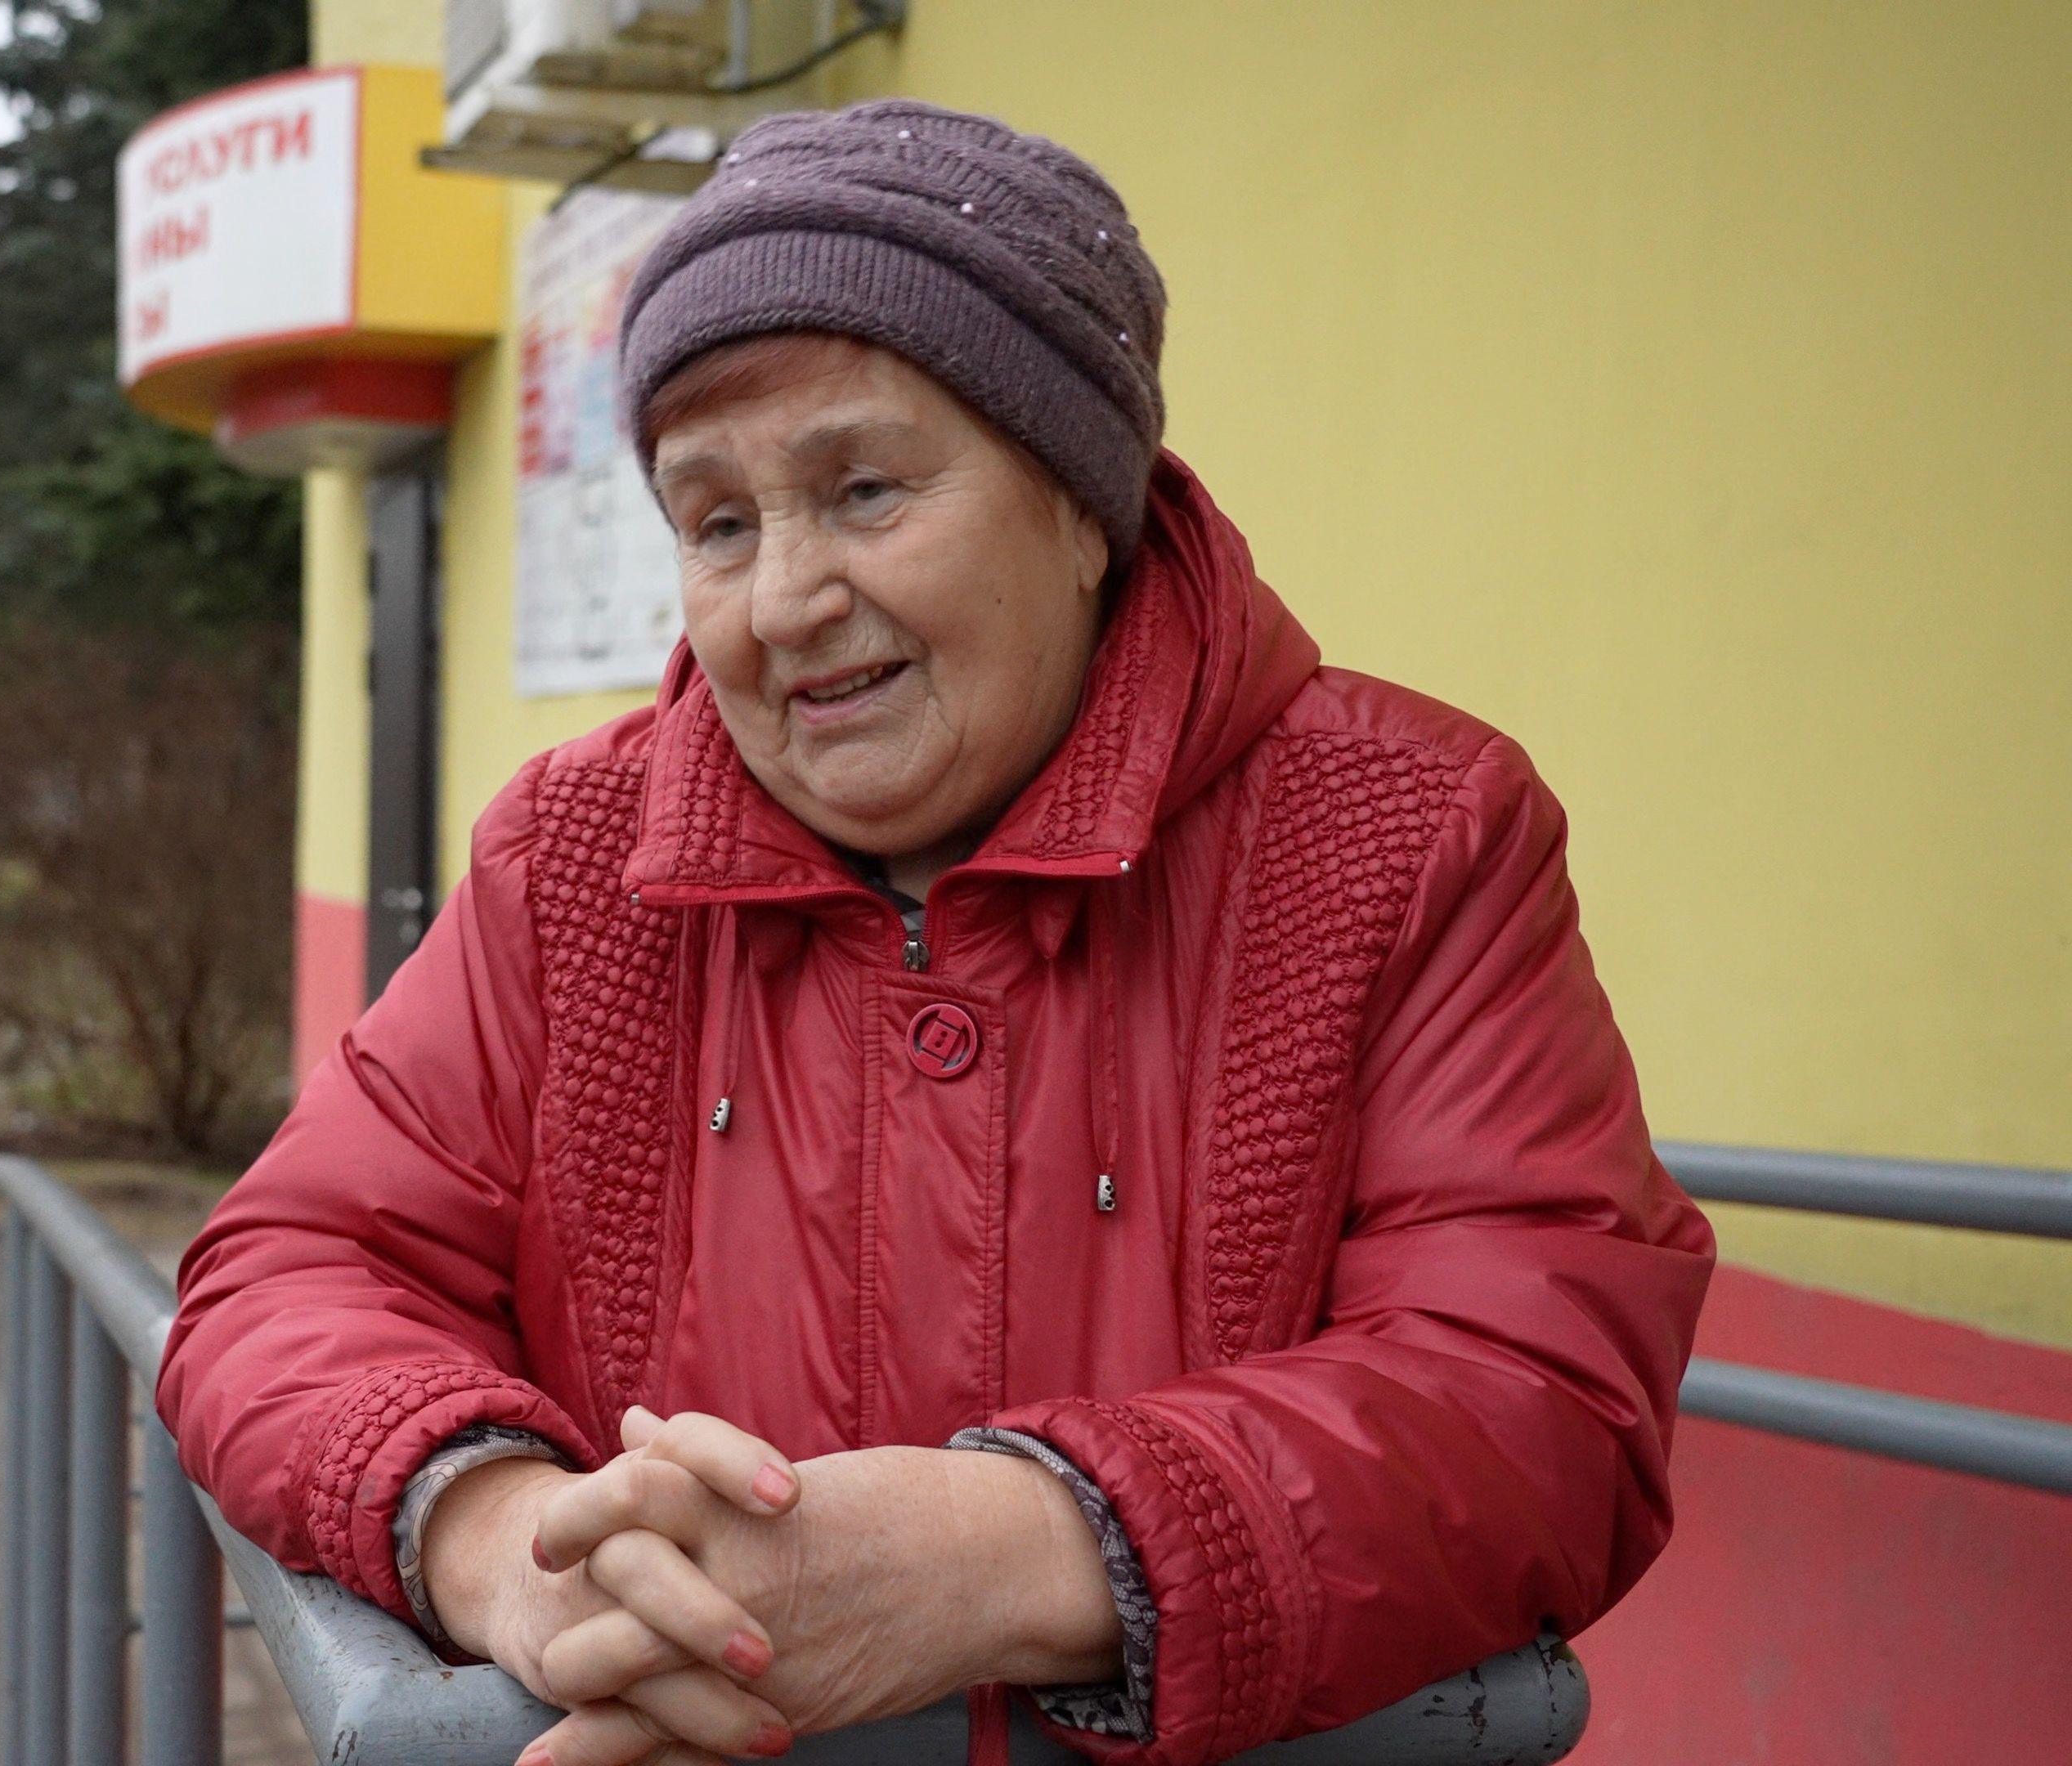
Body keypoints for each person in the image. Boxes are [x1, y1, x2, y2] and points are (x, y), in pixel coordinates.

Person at [158, 101, 1712, 1766]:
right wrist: (508, 1544)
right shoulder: (574, 860)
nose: (784, 600)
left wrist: (1010, 1554)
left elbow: (1540, 1396)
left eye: (866, 488)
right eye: (719, 521)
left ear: (1080, 502)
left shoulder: (1406, 837)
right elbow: (286, 1275)